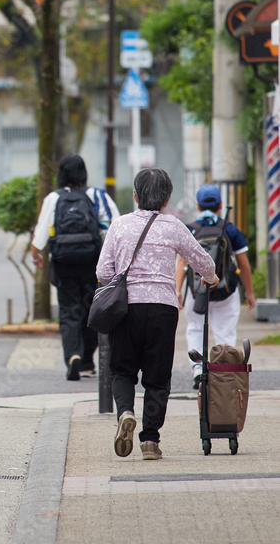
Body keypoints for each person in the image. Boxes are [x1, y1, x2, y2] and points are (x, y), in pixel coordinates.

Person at [97, 167, 218, 461]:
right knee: (157, 378)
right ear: (167, 200)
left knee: (122, 371)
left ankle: (125, 412)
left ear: (136, 196)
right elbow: (202, 260)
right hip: (163, 309)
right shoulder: (174, 226)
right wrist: (211, 278)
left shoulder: (119, 225)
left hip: (126, 309)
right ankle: (150, 441)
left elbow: (103, 271)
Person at [31, 154, 119, 381]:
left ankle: (73, 355)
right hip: (93, 261)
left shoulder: (53, 198)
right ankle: (88, 362)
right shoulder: (98, 195)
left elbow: (41, 232)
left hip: (63, 262)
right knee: (91, 310)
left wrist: (36, 255)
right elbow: (116, 226)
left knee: (69, 311)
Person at [175, 184, 256, 390]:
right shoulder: (229, 229)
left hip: (197, 290)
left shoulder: (191, 229)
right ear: (220, 205)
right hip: (226, 290)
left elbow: (183, 264)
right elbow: (243, 263)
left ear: (198, 205)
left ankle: (197, 369)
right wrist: (249, 291)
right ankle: (224, 373)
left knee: (194, 327)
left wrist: (177, 290)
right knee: (225, 330)